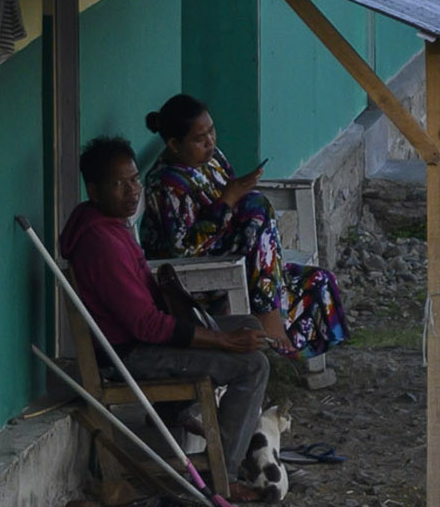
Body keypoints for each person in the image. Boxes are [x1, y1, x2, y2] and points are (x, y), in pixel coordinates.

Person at [64, 134, 282, 499]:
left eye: (134, 179)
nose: (132, 191)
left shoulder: (106, 222)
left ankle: (174, 409)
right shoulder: (100, 243)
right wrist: (222, 341)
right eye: (119, 184)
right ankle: (223, 477)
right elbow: (146, 325)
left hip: (144, 339)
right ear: (94, 189)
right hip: (132, 354)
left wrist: (193, 314)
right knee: (253, 365)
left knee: (249, 326)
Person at [138, 95, 348, 368]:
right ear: (174, 145)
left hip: (234, 257)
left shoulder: (212, 160)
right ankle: (268, 320)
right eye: (200, 138)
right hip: (193, 272)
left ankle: (279, 338)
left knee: (319, 280)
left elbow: (235, 212)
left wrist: (238, 192)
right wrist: (228, 200)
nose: (210, 142)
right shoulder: (167, 183)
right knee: (255, 206)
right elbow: (182, 249)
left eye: (211, 131)